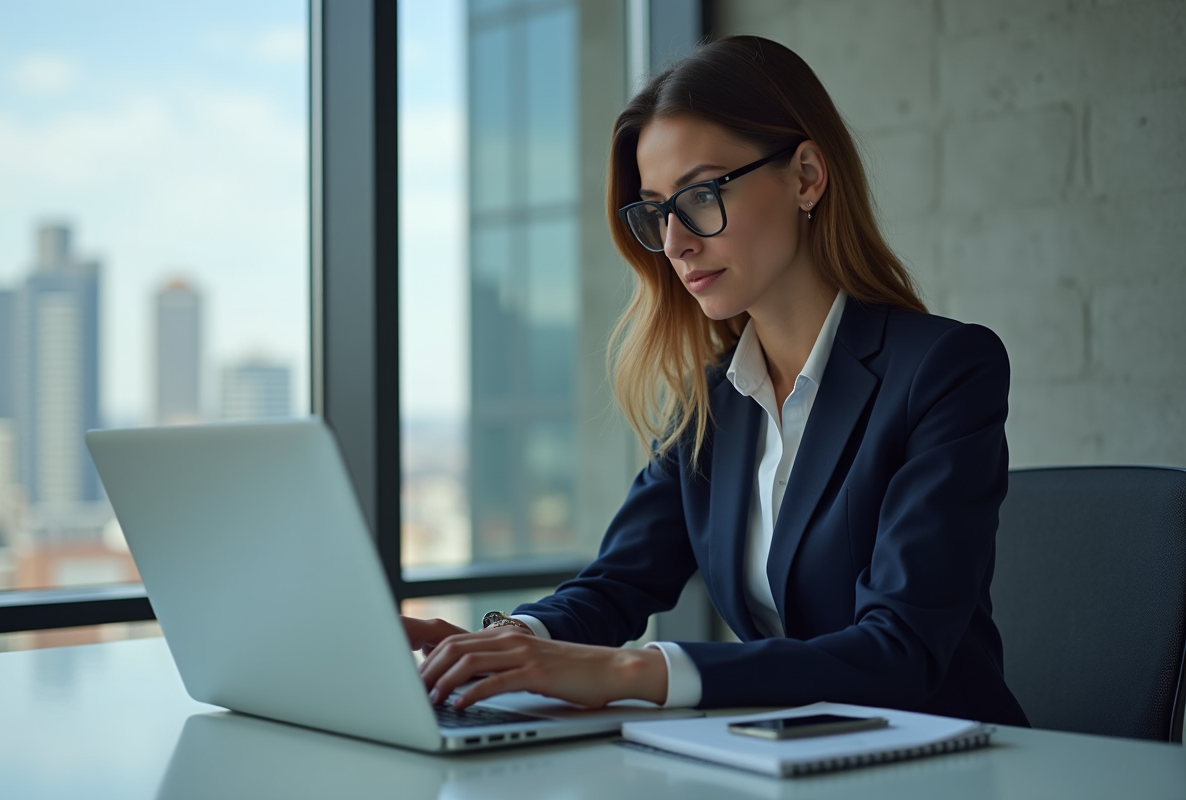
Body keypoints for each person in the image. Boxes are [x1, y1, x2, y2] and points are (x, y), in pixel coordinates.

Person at [405, 35, 1029, 727]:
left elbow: (899, 652)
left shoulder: (944, 370)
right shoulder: (715, 402)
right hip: (793, 761)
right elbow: (618, 582)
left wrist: (629, 670)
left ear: (806, 176)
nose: (674, 242)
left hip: (947, 768)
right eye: (657, 210)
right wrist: (516, 641)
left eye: (700, 194)